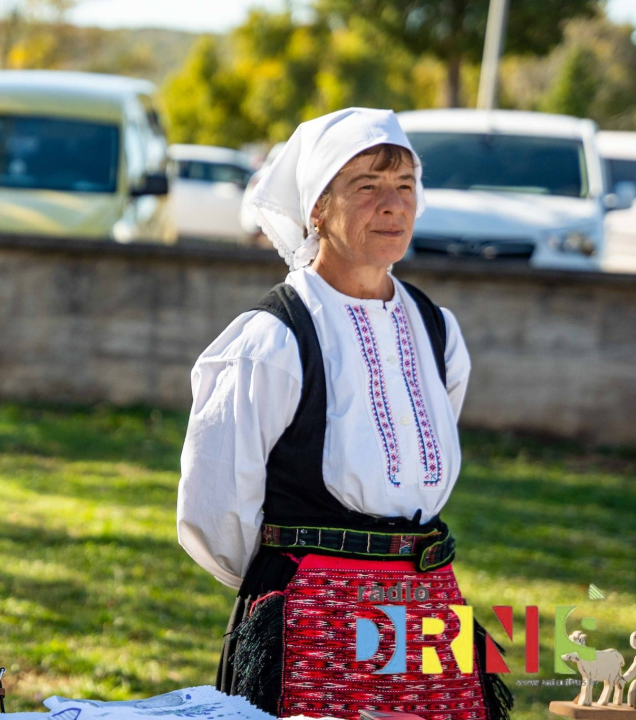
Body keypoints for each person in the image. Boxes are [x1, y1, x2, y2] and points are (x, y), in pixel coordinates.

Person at [177, 108, 510, 719]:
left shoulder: (437, 330)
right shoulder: (271, 339)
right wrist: (296, 579)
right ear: (317, 209)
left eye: (405, 185)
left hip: (431, 605)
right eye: (367, 186)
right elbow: (215, 508)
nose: (393, 205)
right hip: (313, 614)